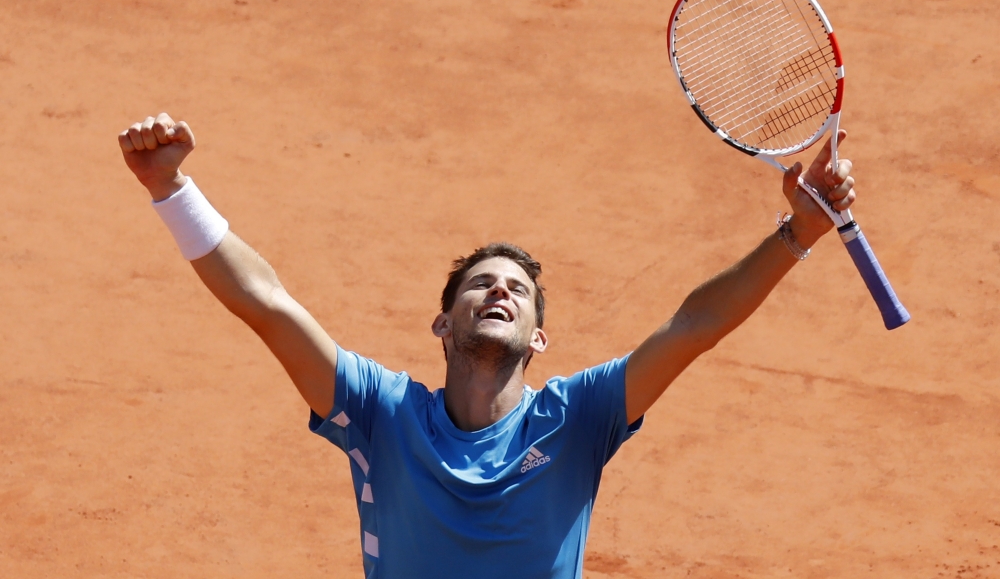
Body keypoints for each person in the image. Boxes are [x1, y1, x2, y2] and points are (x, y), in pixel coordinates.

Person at [118, 112, 856, 579]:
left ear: (539, 336)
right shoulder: (382, 413)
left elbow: (692, 327)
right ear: (442, 326)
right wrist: (171, 188)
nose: (498, 291)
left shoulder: (578, 417)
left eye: (517, 290)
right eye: (479, 285)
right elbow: (269, 306)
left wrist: (798, 235)